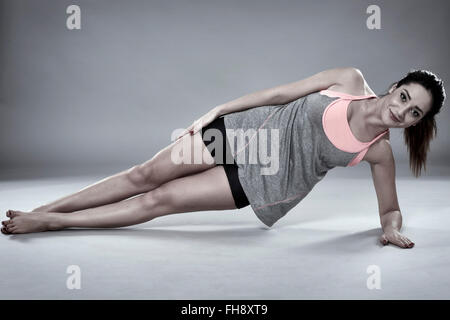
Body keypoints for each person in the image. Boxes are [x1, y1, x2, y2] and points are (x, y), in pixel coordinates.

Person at [1, 67, 446, 249]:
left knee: (158, 201)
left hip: (264, 182)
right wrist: (220, 111)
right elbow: (278, 94)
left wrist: (391, 229)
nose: (401, 110)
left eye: (413, 112)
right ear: (394, 87)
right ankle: (47, 208)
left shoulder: (380, 152)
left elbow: (389, 209)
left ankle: (53, 223)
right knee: (144, 174)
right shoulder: (349, 79)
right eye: (404, 96)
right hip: (244, 132)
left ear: (414, 122)